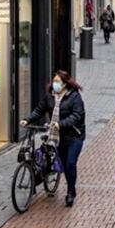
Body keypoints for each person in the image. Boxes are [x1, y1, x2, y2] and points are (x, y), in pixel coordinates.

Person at [21, 70, 86, 207]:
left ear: (65, 84)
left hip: (74, 136)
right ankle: (48, 175)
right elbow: (40, 110)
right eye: (54, 81)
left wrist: (60, 124)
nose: (54, 84)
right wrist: (27, 120)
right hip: (58, 137)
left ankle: (70, 190)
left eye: (57, 82)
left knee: (70, 163)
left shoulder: (74, 97)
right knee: (62, 163)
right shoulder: (49, 96)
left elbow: (77, 116)